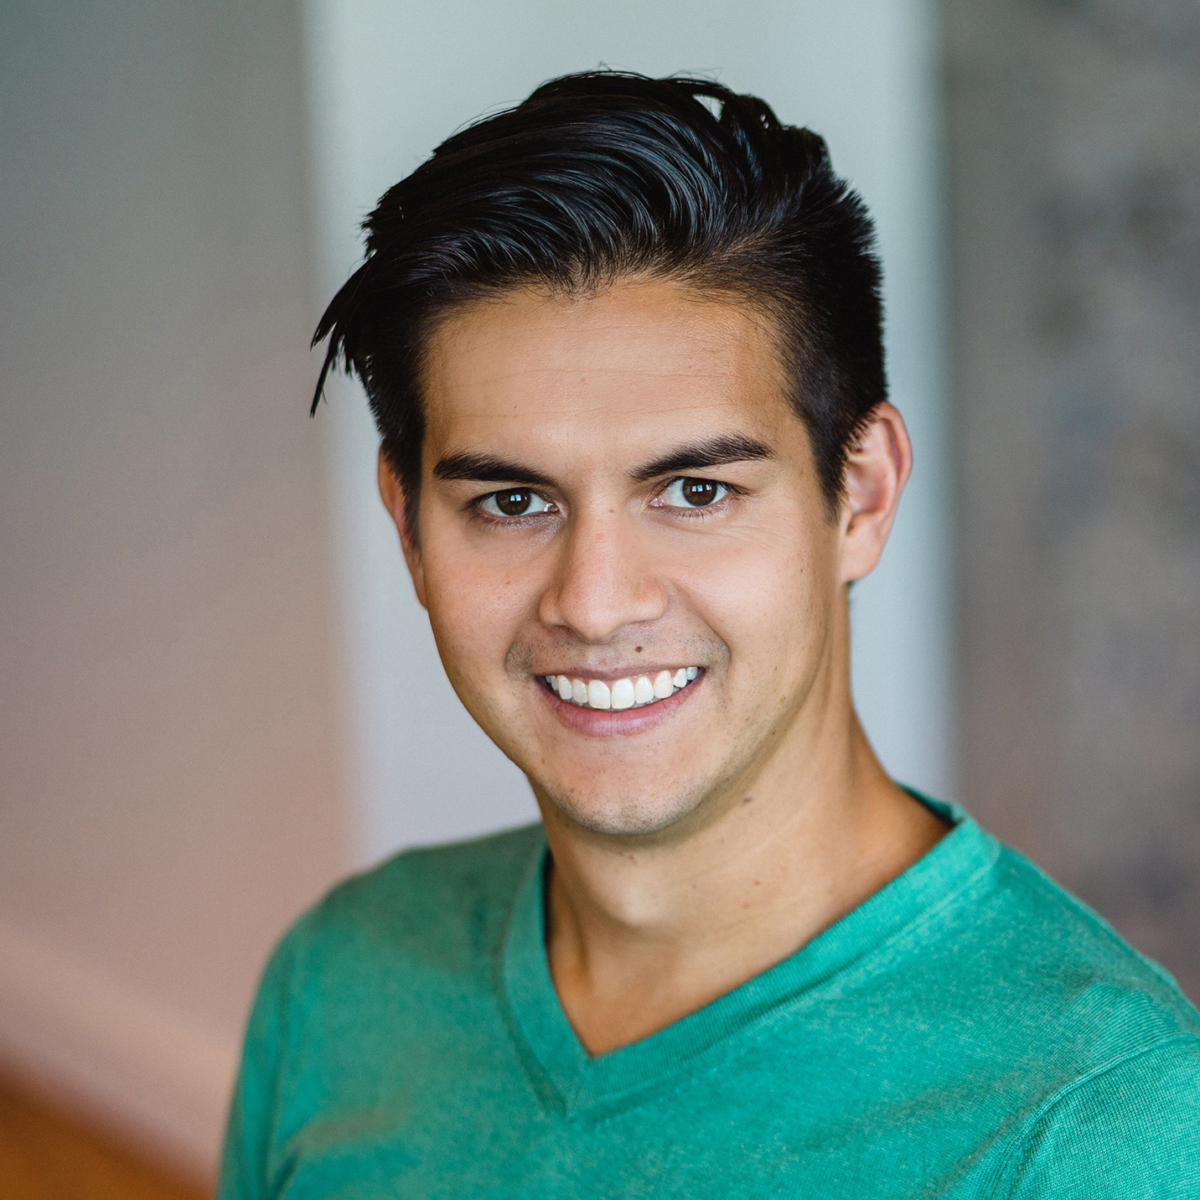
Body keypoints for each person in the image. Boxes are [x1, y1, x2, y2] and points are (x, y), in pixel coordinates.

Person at [218, 72, 1199, 1198]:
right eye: (512, 501)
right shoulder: (341, 977)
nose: (595, 603)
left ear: (862, 494)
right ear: (409, 527)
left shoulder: (1109, 1130)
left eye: (695, 491)